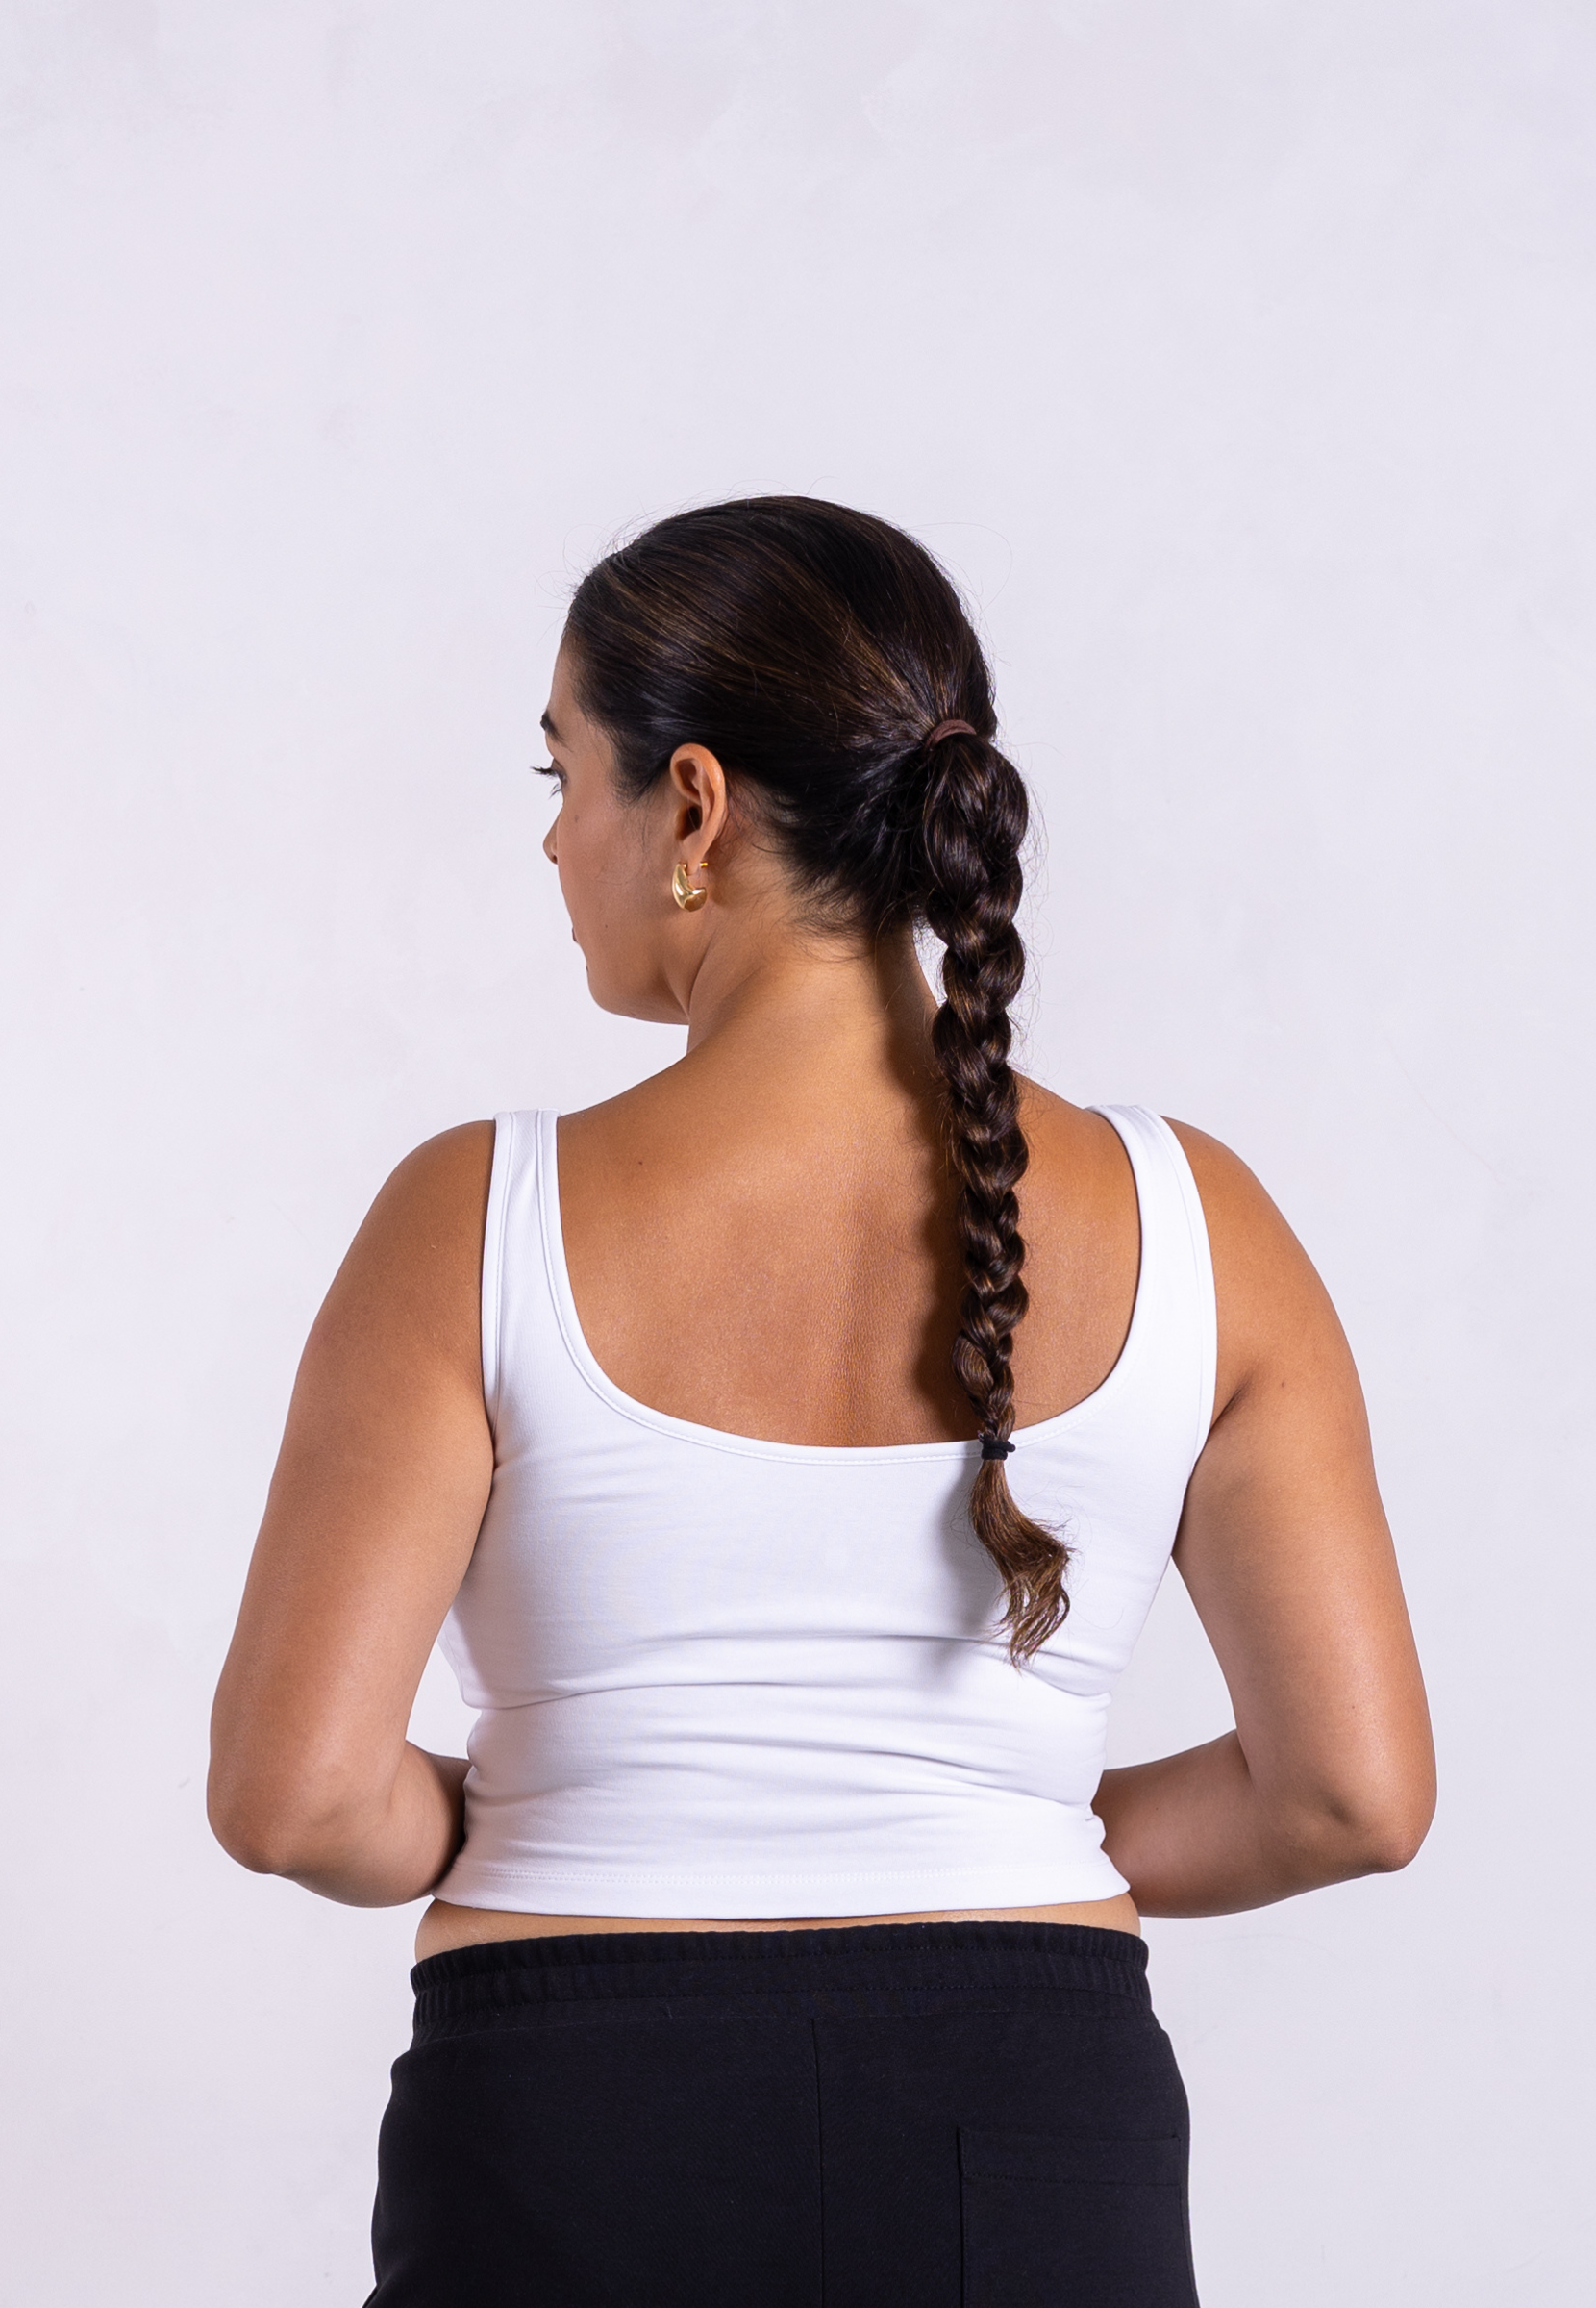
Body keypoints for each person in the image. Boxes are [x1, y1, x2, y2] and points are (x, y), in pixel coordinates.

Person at [209, 496, 1435, 2306]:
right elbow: (1350, 1798)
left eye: (562, 776)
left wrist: (542, 1804)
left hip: (572, 2112)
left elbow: (299, 1801)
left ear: (690, 805)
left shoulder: (471, 1222)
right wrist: (997, 1825)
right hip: (1030, 2109)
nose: (555, 844)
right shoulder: (1202, 1225)